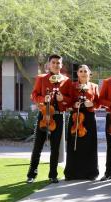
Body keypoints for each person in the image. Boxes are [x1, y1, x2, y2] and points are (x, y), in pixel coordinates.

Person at [26, 54, 72, 183]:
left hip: (58, 116)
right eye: (54, 62)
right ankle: (31, 174)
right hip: (44, 115)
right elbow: (34, 95)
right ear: (49, 64)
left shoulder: (66, 80)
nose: (56, 65)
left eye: (58, 63)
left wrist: (63, 99)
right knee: (37, 146)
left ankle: (53, 174)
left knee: (55, 147)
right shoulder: (41, 78)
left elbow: (70, 100)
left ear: (61, 65)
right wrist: (42, 99)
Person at [64, 65, 100, 180]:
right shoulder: (72, 86)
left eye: (85, 71)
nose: (83, 73)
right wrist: (73, 105)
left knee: (89, 145)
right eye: (81, 71)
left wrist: (92, 104)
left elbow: (99, 103)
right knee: (73, 145)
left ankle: (91, 173)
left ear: (89, 73)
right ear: (78, 73)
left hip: (89, 118)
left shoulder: (94, 86)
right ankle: (72, 173)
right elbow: (67, 101)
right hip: (76, 118)